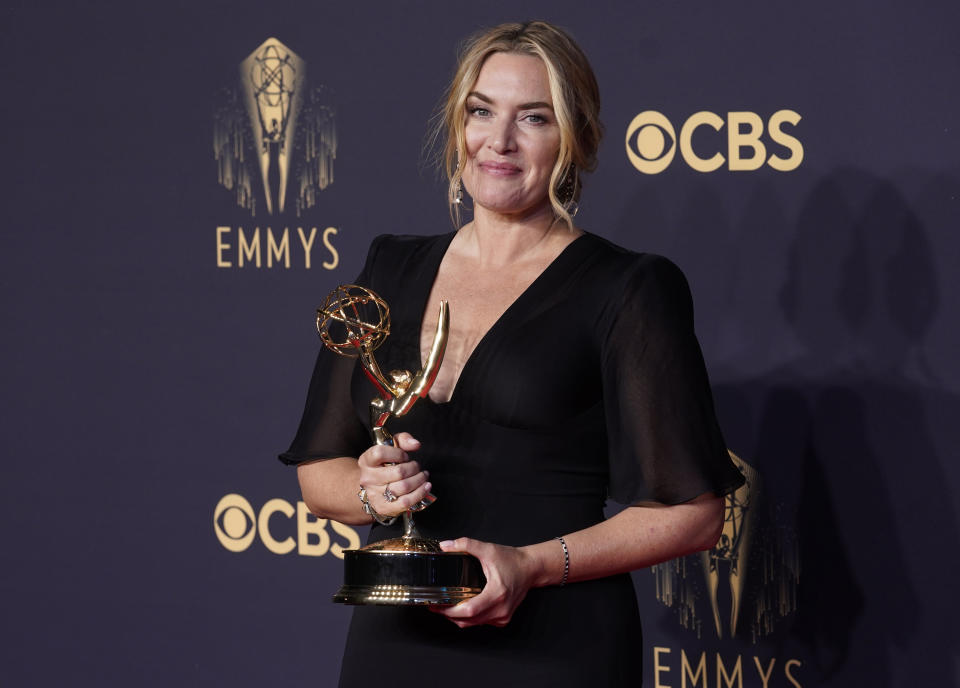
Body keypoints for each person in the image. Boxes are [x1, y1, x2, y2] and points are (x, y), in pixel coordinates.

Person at [280, 20, 744, 687]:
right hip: (395, 639)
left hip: (554, 645)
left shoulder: (627, 287)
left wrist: (527, 566)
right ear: (457, 125)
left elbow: (697, 516)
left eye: (534, 118)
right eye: (481, 112)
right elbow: (320, 472)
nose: (498, 142)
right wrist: (371, 490)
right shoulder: (388, 266)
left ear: (574, 139)